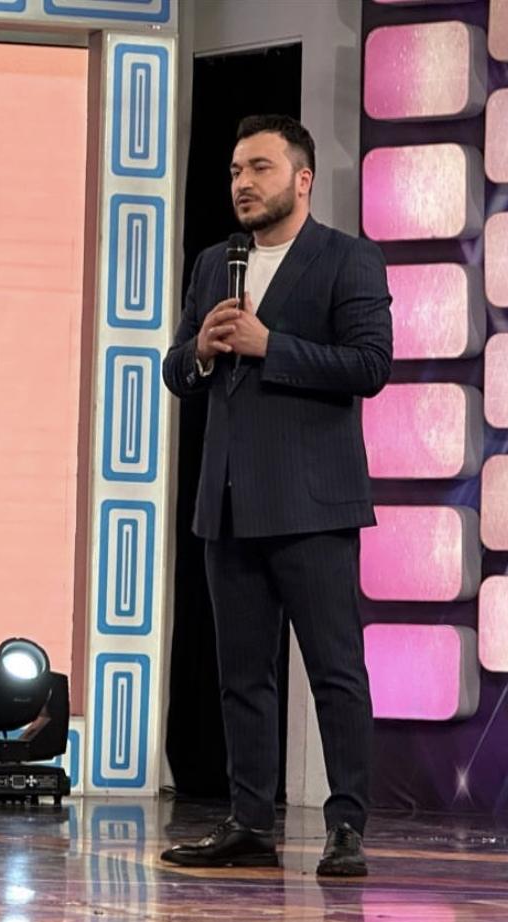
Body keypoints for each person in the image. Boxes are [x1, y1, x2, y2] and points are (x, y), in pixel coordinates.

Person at [159, 115, 392, 877]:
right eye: (235, 170)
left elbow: (370, 365)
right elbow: (176, 368)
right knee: (241, 677)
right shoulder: (214, 264)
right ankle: (249, 821)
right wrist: (199, 351)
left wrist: (271, 347)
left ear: (302, 178)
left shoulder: (347, 258)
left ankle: (346, 824)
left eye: (259, 167)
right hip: (227, 503)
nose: (243, 183)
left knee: (335, 671)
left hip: (312, 504)